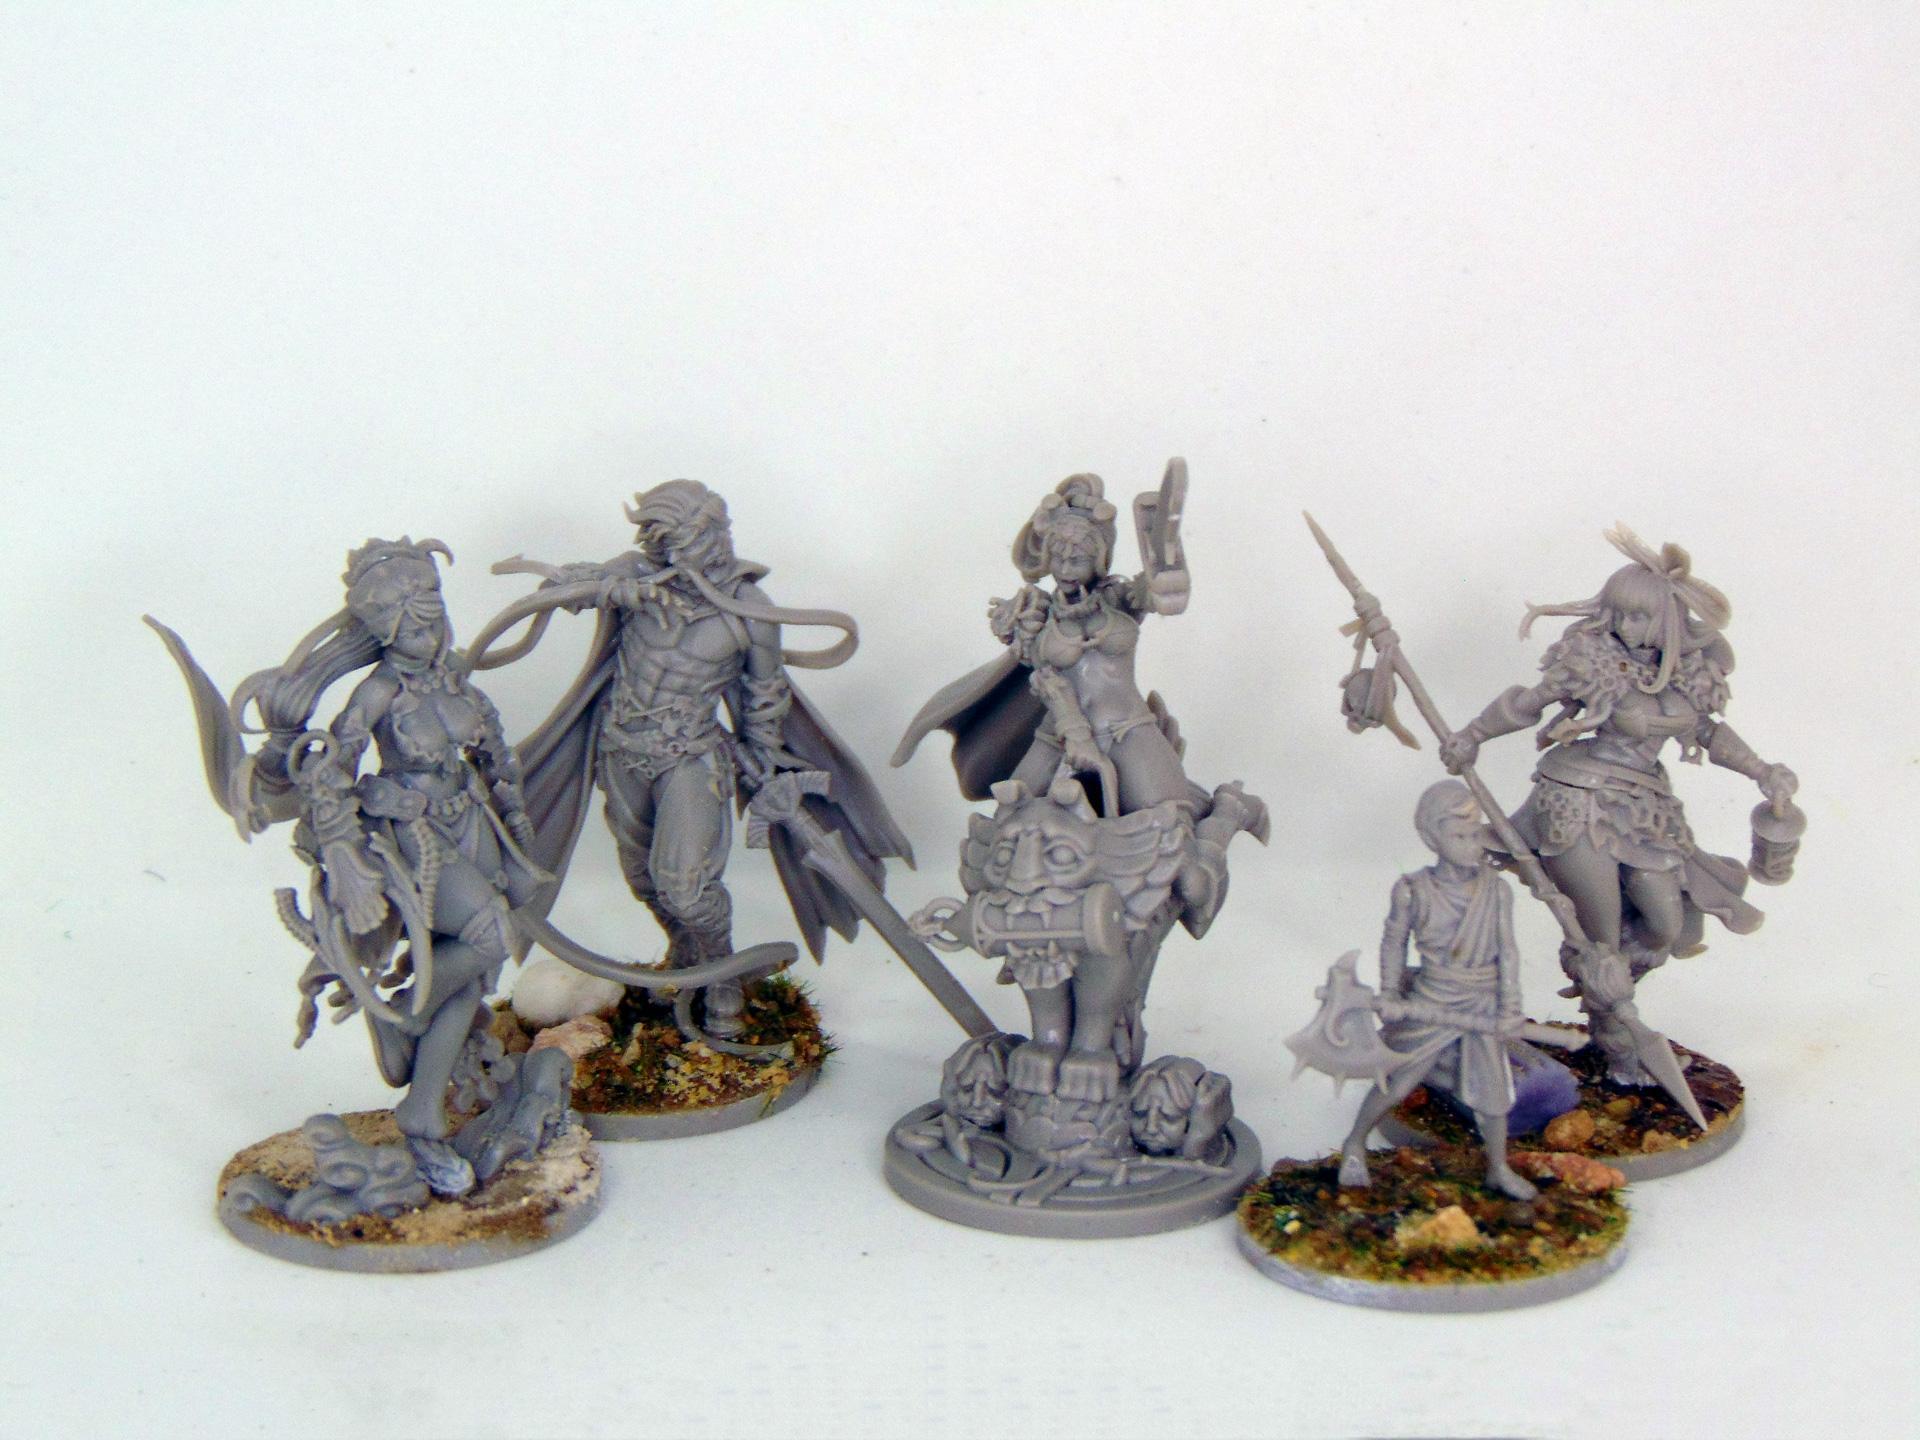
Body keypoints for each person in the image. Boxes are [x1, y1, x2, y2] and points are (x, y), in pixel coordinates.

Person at [151, 538, 550, 1197]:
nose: (427, 631)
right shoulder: (378, 692)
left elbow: (497, 762)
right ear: (383, 628)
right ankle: (401, 1010)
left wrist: (520, 832)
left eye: (432, 614)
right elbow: (328, 777)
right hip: (419, 840)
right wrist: (348, 845)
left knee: (472, 984)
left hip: (477, 828)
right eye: (410, 622)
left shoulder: (454, 678)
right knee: (487, 935)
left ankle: (421, 1114)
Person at [469, 481, 911, 1037]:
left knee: (684, 885)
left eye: (685, 541)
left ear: (713, 533)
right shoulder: (639, 573)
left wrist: (765, 755)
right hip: (620, 750)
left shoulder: (750, 610)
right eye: (664, 545)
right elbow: (564, 588)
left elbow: (765, 694)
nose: (675, 556)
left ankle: (720, 973)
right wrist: (607, 586)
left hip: (689, 756)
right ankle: (686, 953)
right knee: (643, 879)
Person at [1439, 526, 1798, 1080]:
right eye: (1620, 615)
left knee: (1664, 924)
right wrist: (1471, 736)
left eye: (1639, 617)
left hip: (1646, 810)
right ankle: (1618, 1045)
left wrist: (1762, 771)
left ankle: (1607, 1000)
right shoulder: (1592, 660)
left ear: (1667, 620)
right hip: (1577, 805)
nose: (1626, 627)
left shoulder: (1689, 671)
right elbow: (1530, 703)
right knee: (1600, 938)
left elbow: (1707, 732)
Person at [893, 468, 1201, 817]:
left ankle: (1233, 809)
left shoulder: (1117, 600)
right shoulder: (1035, 613)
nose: (1066, 570)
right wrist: (1075, 732)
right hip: (1058, 734)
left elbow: (1155, 594)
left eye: (1077, 560)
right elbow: (1044, 680)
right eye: (1059, 558)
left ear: (1099, 559)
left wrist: (1168, 581)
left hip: (1128, 728)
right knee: (1011, 819)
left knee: (1169, 816)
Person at [1337, 781, 1538, 1201]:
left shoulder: (1497, 890)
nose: (1472, 845)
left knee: (1494, 1093)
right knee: (1399, 1080)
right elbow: (1394, 942)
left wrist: (1511, 1006)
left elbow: (1508, 951)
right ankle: (1355, 1142)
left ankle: (1498, 1167)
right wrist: (1390, 992)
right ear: (1432, 838)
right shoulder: (1412, 889)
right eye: (1459, 836)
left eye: (1476, 834)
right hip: (1431, 999)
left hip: (1481, 1001)